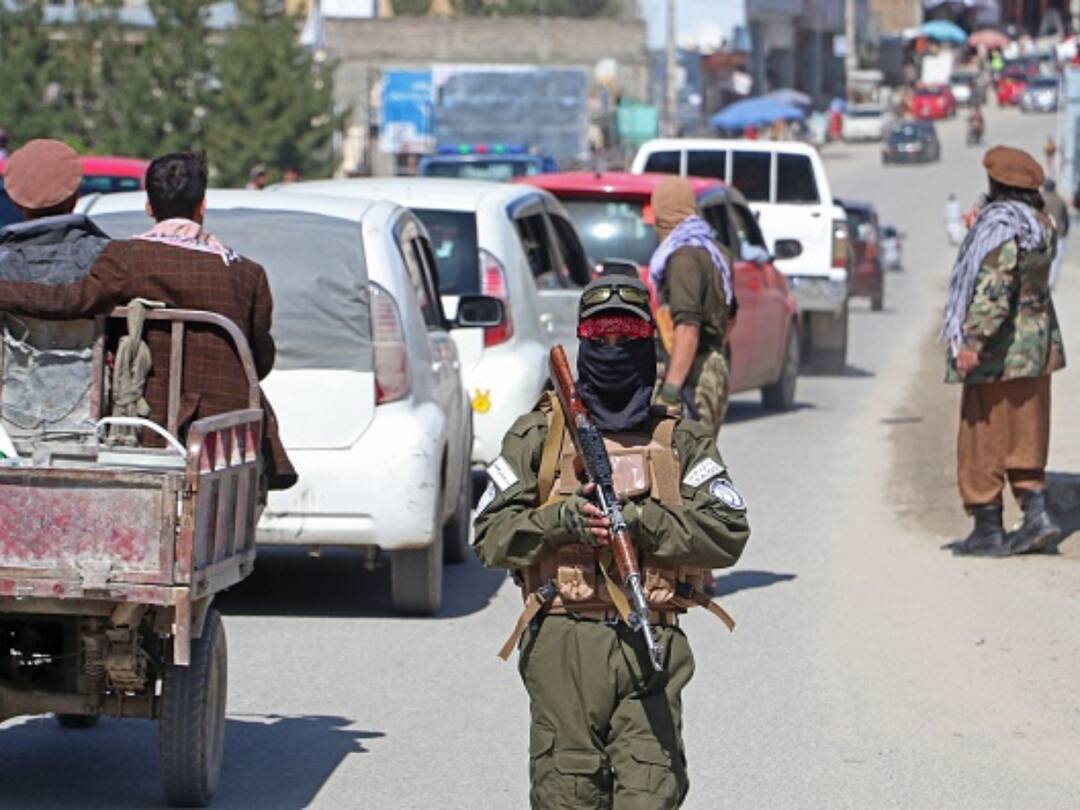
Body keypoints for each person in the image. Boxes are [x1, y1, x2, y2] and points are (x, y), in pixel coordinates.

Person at [473, 270, 750, 809]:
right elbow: (489, 535)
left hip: (651, 645)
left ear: (650, 343)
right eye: (602, 336)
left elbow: (728, 532)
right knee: (567, 795)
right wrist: (562, 522)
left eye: (629, 336)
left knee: (651, 795)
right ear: (582, 342)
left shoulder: (681, 440)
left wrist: (641, 519)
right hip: (562, 646)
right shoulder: (538, 437)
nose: (615, 349)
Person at [0, 151, 296, 490]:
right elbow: (260, 360)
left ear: (149, 208)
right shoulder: (248, 274)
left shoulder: (126, 258)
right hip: (228, 438)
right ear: (202, 206)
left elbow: (69, 301)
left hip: (150, 429)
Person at [942, 146, 1064, 556]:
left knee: (982, 436)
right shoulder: (1039, 225)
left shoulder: (1002, 229)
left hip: (1001, 353)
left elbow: (994, 291)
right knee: (1027, 436)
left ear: (997, 185)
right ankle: (1036, 517)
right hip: (1037, 348)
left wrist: (972, 343)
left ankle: (988, 528)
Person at [649, 177, 735, 438]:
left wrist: (671, 390)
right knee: (701, 454)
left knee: (685, 456)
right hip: (712, 366)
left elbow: (687, 327)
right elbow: (731, 317)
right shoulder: (716, 251)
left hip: (691, 377)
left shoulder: (683, 258)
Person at [1041, 178, 1069, 288]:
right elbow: (1066, 219)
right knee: (1055, 260)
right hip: (1059, 234)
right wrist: (1065, 232)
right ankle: (1051, 282)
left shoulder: (1039, 199)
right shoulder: (1061, 201)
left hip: (1043, 233)